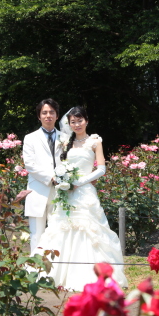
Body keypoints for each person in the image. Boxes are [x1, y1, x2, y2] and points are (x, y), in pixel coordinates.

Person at [33, 106, 128, 289]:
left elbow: (101, 168)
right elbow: (59, 166)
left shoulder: (94, 141)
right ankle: (55, 274)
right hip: (66, 192)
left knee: (88, 230)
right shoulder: (65, 142)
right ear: (69, 124)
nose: (77, 125)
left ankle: (90, 276)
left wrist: (81, 181)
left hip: (84, 192)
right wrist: (63, 179)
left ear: (87, 121)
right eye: (73, 122)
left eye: (80, 121)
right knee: (61, 228)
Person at [22, 99, 62, 255]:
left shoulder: (65, 137)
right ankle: (35, 269)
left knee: (57, 231)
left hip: (60, 191)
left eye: (51, 112)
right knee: (37, 234)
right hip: (37, 189)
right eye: (44, 112)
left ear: (57, 115)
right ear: (39, 116)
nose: (48, 116)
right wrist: (51, 177)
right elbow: (30, 165)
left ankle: (55, 269)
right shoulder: (30, 138)